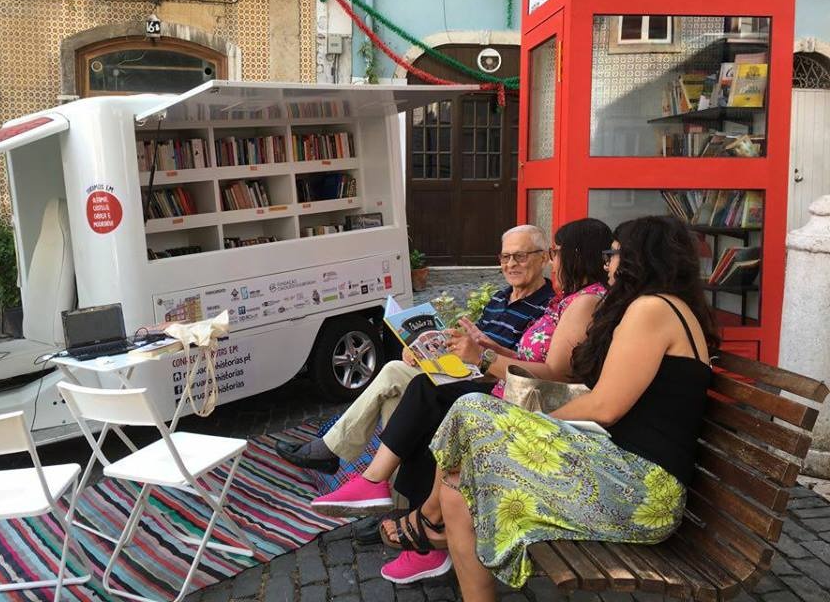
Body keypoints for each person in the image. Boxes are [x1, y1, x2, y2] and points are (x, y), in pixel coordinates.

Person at [383, 216, 716, 601]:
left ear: (639, 258)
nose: (607, 264)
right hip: (621, 471)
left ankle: (427, 518)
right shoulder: (667, 307)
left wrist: (528, 422)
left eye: (613, 255)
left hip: (639, 491)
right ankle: (437, 523)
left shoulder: (652, 309)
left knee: (472, 408)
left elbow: (605, 406)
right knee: (458, 485)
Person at [311, 218, 613, 584]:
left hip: (521, 399)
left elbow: (555, 373)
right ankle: (407, 518)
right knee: (417, 392)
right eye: (505, 257)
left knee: (427, 398)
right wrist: (480, 345)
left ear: (573, 255)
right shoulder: (553, 300)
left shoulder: (579, 301)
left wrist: (483, 358)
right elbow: (529, 357)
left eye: (553, 253)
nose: (552, 260)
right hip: (498, 383)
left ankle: (398, 505)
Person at [275, 224, 554, 474]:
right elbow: (473, 341)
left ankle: (335, 453)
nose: (511, 264)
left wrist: (484, 353)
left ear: (544, 258)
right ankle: (390, 494)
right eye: (505, 257)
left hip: (491, 385)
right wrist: (423, 349)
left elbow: (522, 363)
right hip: (463, 372)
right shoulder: (499, 297)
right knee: (397, 385)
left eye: (520, 256)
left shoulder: (548, 307)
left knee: (394, 373)